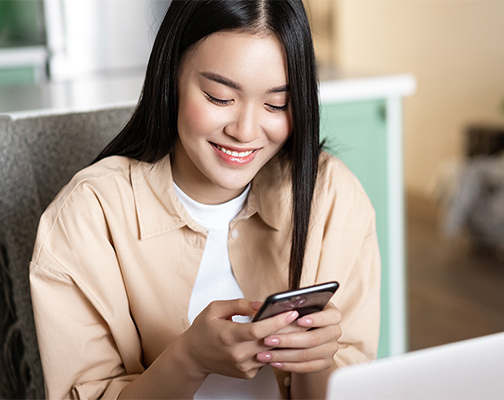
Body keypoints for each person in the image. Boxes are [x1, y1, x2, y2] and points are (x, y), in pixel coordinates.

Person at [28, 0, 381, 399]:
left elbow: (353, 385)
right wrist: (188, 359)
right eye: (219, 97)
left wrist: (316, 363)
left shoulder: (332, 195)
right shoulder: (88, 216)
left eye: (276, 104)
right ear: (171, 75)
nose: (246, 131)